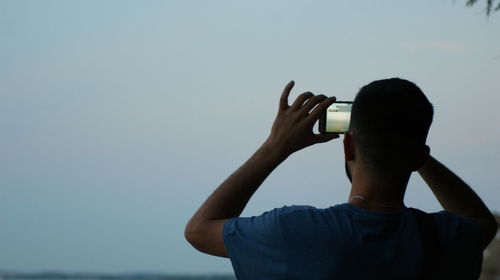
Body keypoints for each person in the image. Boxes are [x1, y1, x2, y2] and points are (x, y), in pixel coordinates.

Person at [184, 78, 497, 279]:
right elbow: (480, 218)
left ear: (348, 144)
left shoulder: (296, 232)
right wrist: (408, 146)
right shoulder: (450, 237)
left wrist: (275, 147)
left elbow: (199, 231)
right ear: (419, 156)